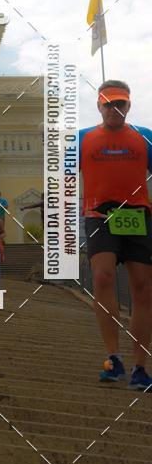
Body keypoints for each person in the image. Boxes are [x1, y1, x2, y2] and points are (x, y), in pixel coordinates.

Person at [79, 80, 152, 390]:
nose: (114, 109)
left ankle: (139, 366)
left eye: (119, 103)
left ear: (128, 105)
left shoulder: (145, 137)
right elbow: (65, 182)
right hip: (99, 215)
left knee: (142, 289)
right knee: (103, 278)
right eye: (108, 103)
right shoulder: (82, 139)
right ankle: (113, 357)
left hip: (138, 215)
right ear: (98, 105)